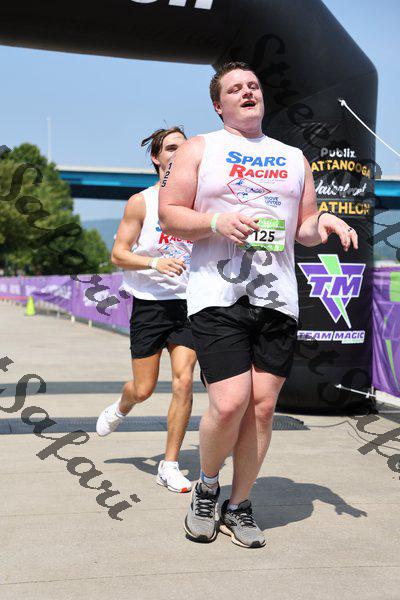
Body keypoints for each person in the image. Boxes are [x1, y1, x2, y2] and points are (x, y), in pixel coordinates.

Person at [158, 62, 358, 547]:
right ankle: (207, 487)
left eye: (253, 85)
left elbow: (303, 228)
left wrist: (324, 223)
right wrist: (216, 223)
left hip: (276, 297)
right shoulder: (200, 148)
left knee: (263, 408)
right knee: (229, 403)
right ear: (218, 104)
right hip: (218, 293)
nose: (247, 92)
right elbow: (169, 214)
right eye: (235, 88)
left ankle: (240, 504)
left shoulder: (293, 157)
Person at [96, 127, 197, 494]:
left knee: (184, 381)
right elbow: (118, 254)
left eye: (184, 148)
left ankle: (169, 465)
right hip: (150, 305)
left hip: (189, 303)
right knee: (144, 389)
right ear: (156, 158)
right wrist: (155, 263)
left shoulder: (200, 200)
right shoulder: (141, 202)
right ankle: (123, 405)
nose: (178, 153)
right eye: (171, 148)